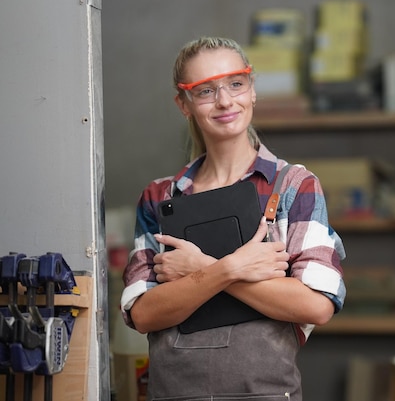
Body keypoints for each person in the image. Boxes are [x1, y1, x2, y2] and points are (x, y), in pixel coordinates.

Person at [120, 36, 346, 401]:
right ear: (184, 104)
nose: (225, 101)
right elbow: (144, 314)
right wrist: (230, 269)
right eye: (205, 90)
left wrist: (200, 269)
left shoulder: (292, 186)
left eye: (235, 84)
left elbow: (317, 305)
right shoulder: (159, 198)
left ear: (252, 89)